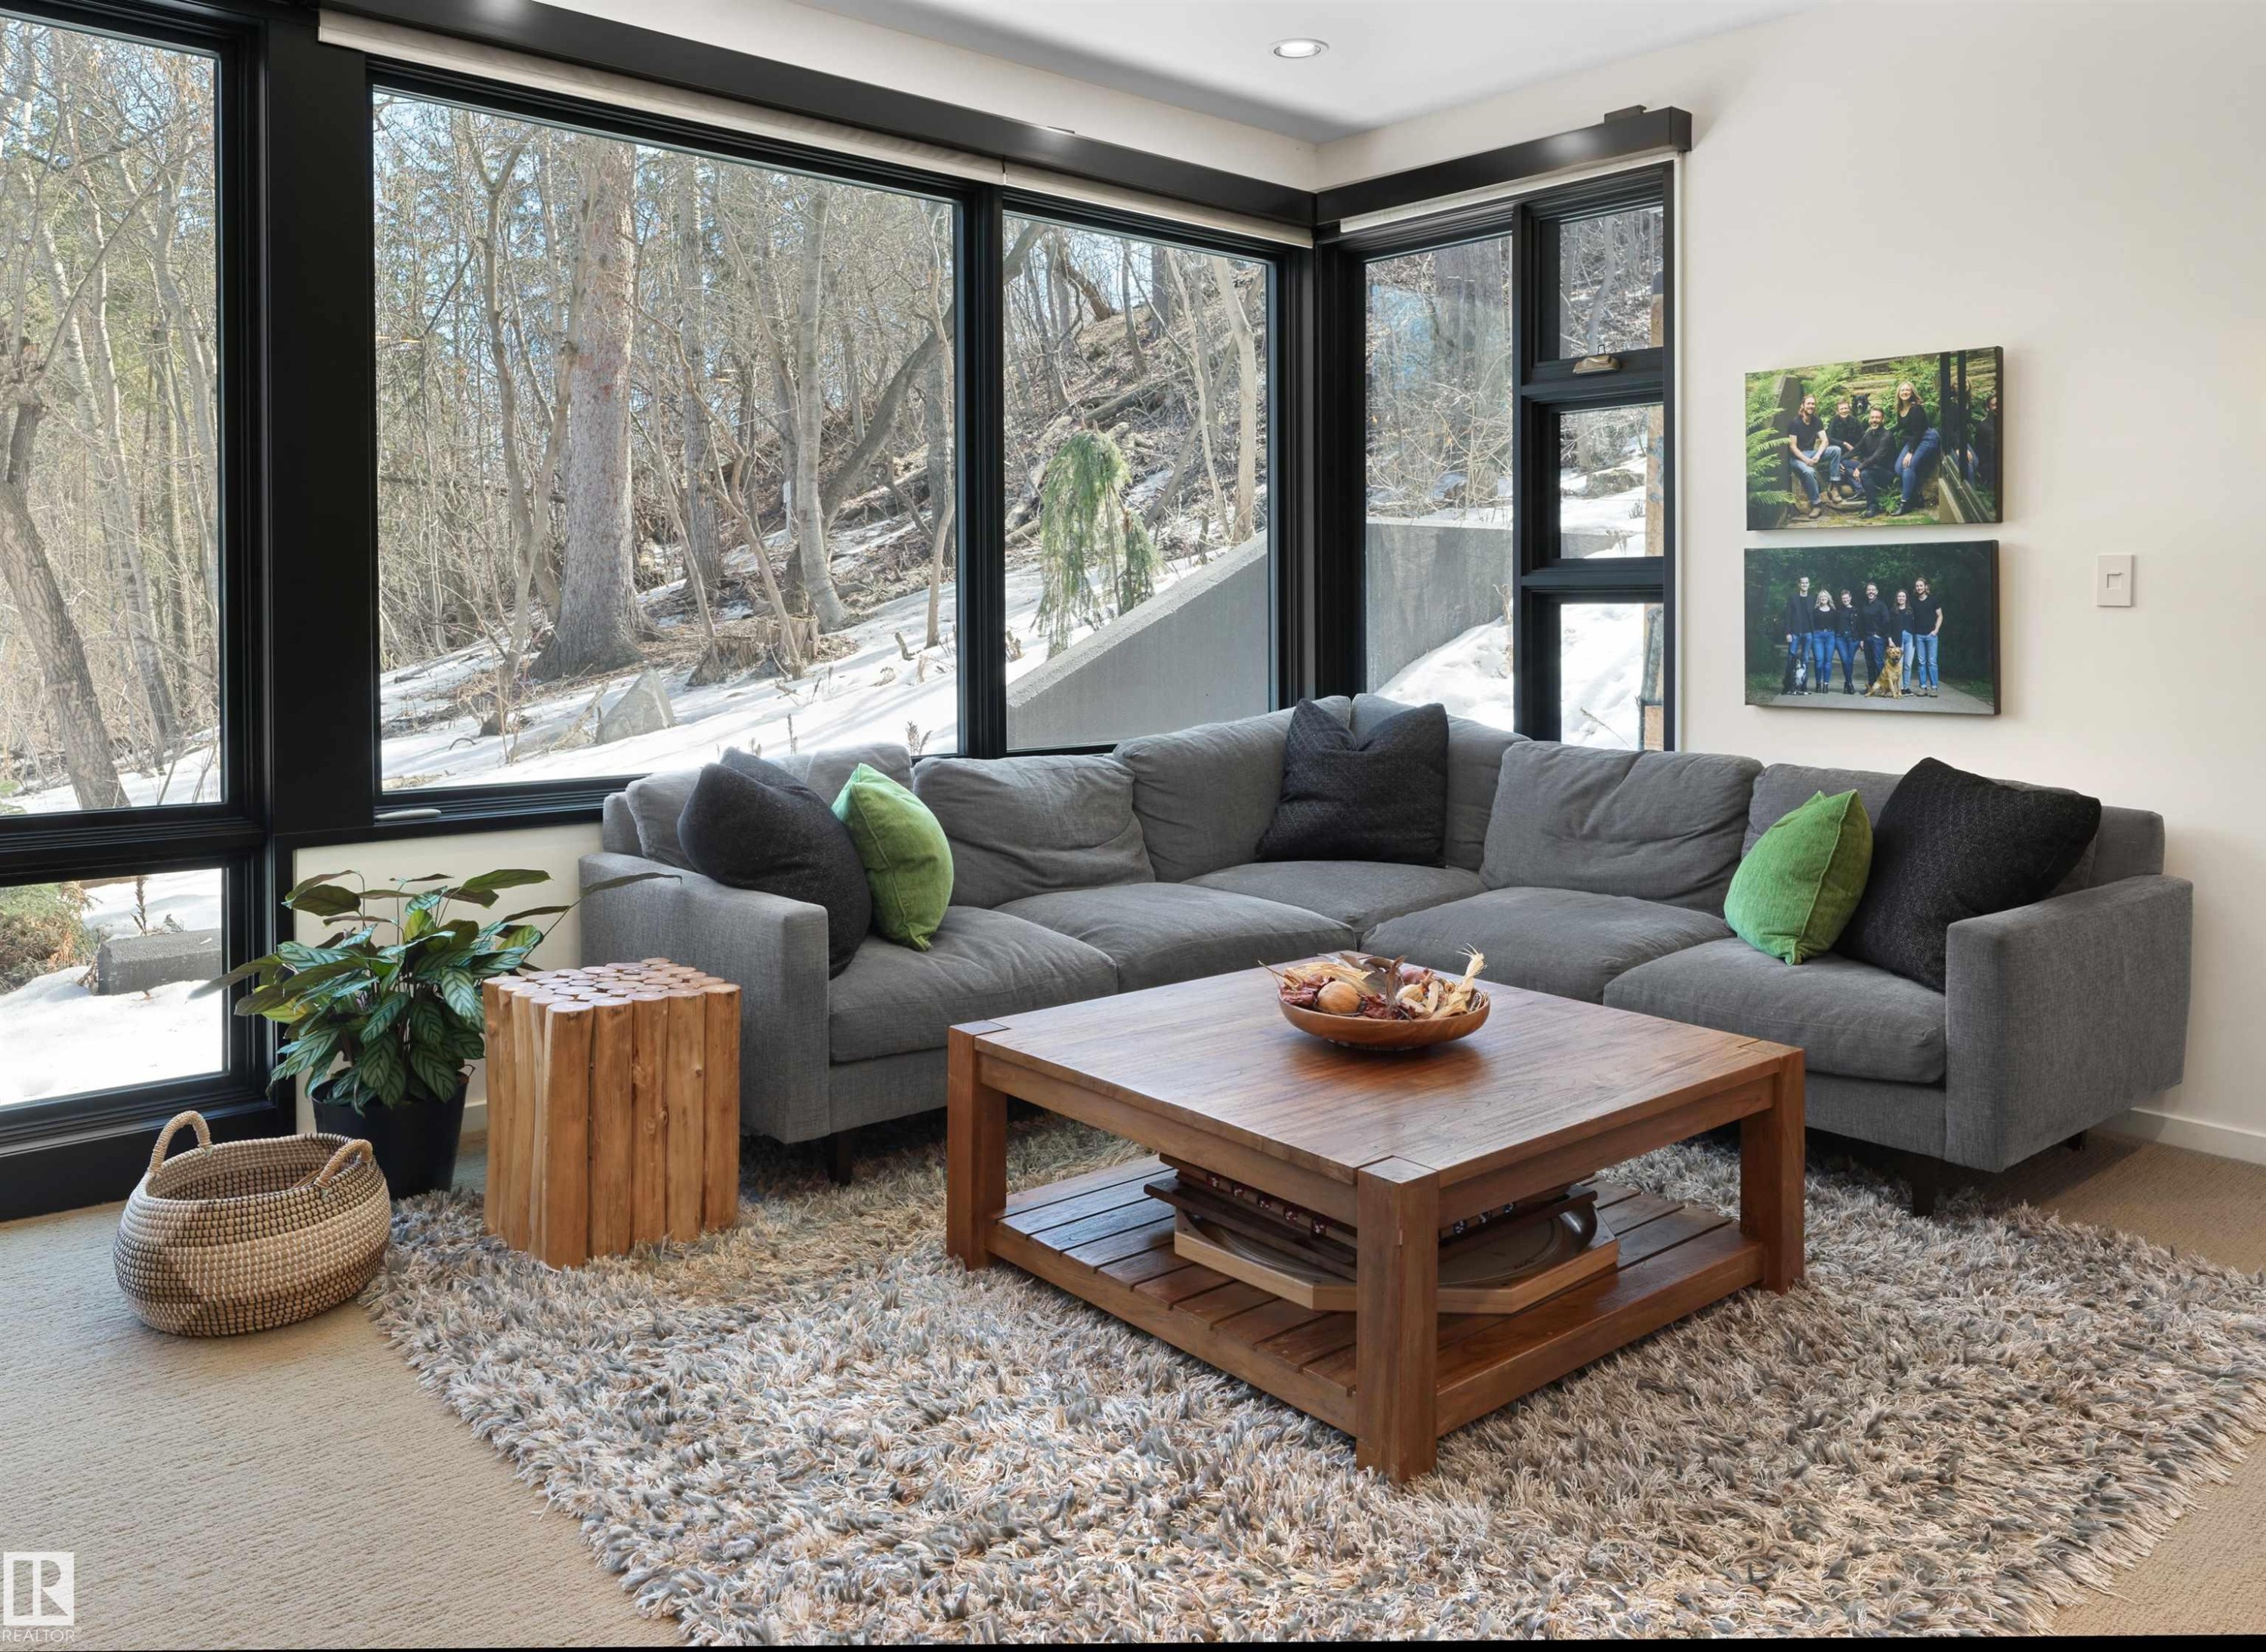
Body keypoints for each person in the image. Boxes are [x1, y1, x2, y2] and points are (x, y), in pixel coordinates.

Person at [1890, 380, 1940, 517]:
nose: (1905, 392)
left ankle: (1905, 503)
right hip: (1913, 439)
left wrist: (1910, 453)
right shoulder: (1900, 409)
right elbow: (1902, 426)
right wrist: (1887, 431)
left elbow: (1918, 432)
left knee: (1908, 466)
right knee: (1898, 468)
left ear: (1912, 392)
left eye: (1908, 390)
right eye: (1902, 390)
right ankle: (1917, 497)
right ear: (1899, 394)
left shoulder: (1916, 408)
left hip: (1927, 438)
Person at [1784, 394, 1836, 519]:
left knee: (1836, 450)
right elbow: (1793, 447)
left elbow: (1825, 441)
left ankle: (1835, 486)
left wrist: (1818, 455)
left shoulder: (1817, 421)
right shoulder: (1795, 423)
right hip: (1797, 458)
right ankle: (1816, 504)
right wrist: (1805, 460)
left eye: (1813, 404)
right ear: (1803, 405)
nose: (1811, 406)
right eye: (1809, 404)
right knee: (1809, 471)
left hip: (1812, 453)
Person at [1850, 408, 1898, 517]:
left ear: (1883, 420)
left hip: (1886, 473)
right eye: (1872, 417)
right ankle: (1861, 489)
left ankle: (1872, 507)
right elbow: (1856, 449)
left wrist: (1860, 468)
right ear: (1869, 419)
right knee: (1845, 464)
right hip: (1871, 467)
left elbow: (1876, 457)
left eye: (1877, 417)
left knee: (1864, 474)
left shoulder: (1887, 435)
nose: (1874, 420)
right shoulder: (1868, 434)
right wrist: (1840, 460)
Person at [1910, 575, 1943, 696]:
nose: (1919, 588)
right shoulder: (1913, 601)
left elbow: (1940, 615)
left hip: (1931, 635)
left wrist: (1936, 630)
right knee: (1921, 662)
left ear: (1925, 587)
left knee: (1932, 662)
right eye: (1917, 586)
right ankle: (1922, 687)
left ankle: (1934, 688)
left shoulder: (1933, 600)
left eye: (1921, 586)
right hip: (1919, 636)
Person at [1824, 398, 1864, 499]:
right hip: (1839, 454)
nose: (1844, 411)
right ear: (1837, 411)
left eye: (1846, 408)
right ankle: (1859, 489)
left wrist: (1856, 451)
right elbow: (1829, 438)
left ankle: (1860, 490)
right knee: (1844, 469)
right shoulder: (1834, 422)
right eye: (1841, 409)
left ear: (1849, 409)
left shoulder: (1855, 421)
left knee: (1845, 468)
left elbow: (1863, 438)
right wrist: (1844, 443)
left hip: (1853, 454)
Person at [1780, 574, 1814, 693]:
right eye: (1802, 583)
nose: (1805, 585)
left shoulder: (1812, 599)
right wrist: (1788, 632)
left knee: (1805, 658)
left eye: (1806, 583)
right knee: (1791, 658)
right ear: (1799, 584)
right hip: (1794, 633)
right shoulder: (1793, 598)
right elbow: (1788, 616)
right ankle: (1788, 685)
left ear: (1809, 585)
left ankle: (1803, 686)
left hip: (1808, 633)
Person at [1860, 580, 1894, 690]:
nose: (1871, 592)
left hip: (1878, 639)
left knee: (1878, 663)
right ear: (1866, 592)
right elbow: (1861, 623)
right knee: (1869, 664)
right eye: (1869, 590)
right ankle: (1871, 686)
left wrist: (1879, 634)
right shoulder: (1864, 605)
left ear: (1877, 592)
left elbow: (1887, 621)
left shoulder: (1881, 605)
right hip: (1867, 638)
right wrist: (1862, 639)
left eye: (1873, 590)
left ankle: (1883, 687)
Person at [1834, 588, 1864, 694]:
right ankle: (1849, 683)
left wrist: (1862, 640)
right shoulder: (1837, 611)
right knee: (1845, 660)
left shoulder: (1856, 610)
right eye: (1843, 598)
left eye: (1847, 598)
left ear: (1850, 598)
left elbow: (1860, 626)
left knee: (1849, 661)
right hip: (1840, 638)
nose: (1845, 600)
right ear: (1841, 599)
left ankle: (1848, 684)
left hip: (1853, 639)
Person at [1811, 589, 1838, 695]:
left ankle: (1826, 684)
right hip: (1817, 636)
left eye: (1825, 596)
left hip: (1830, 636)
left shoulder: (1833, 611)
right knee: (1819, 661)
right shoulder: (1815, 611)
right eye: (1821, 596)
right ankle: (1818, 683)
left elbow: (1837, 624)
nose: (1823, 598)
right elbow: (1812, 624)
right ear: (1819, 599)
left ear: (1828, 598)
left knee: (1828, 661)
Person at [1891, 587, 1917, 696]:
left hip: (1910, 638)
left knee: (1908, 664)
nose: (1901, 598)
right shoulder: (1893, 611)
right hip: (1898, 638)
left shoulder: (1911, 610)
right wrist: (1890, 640)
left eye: (1903, 596)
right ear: (1897, 598)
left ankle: (1906, 687)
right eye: (1899, 596)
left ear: (1906, 598)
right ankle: (1899, 687)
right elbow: (1889, 627)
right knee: (1899, 664)